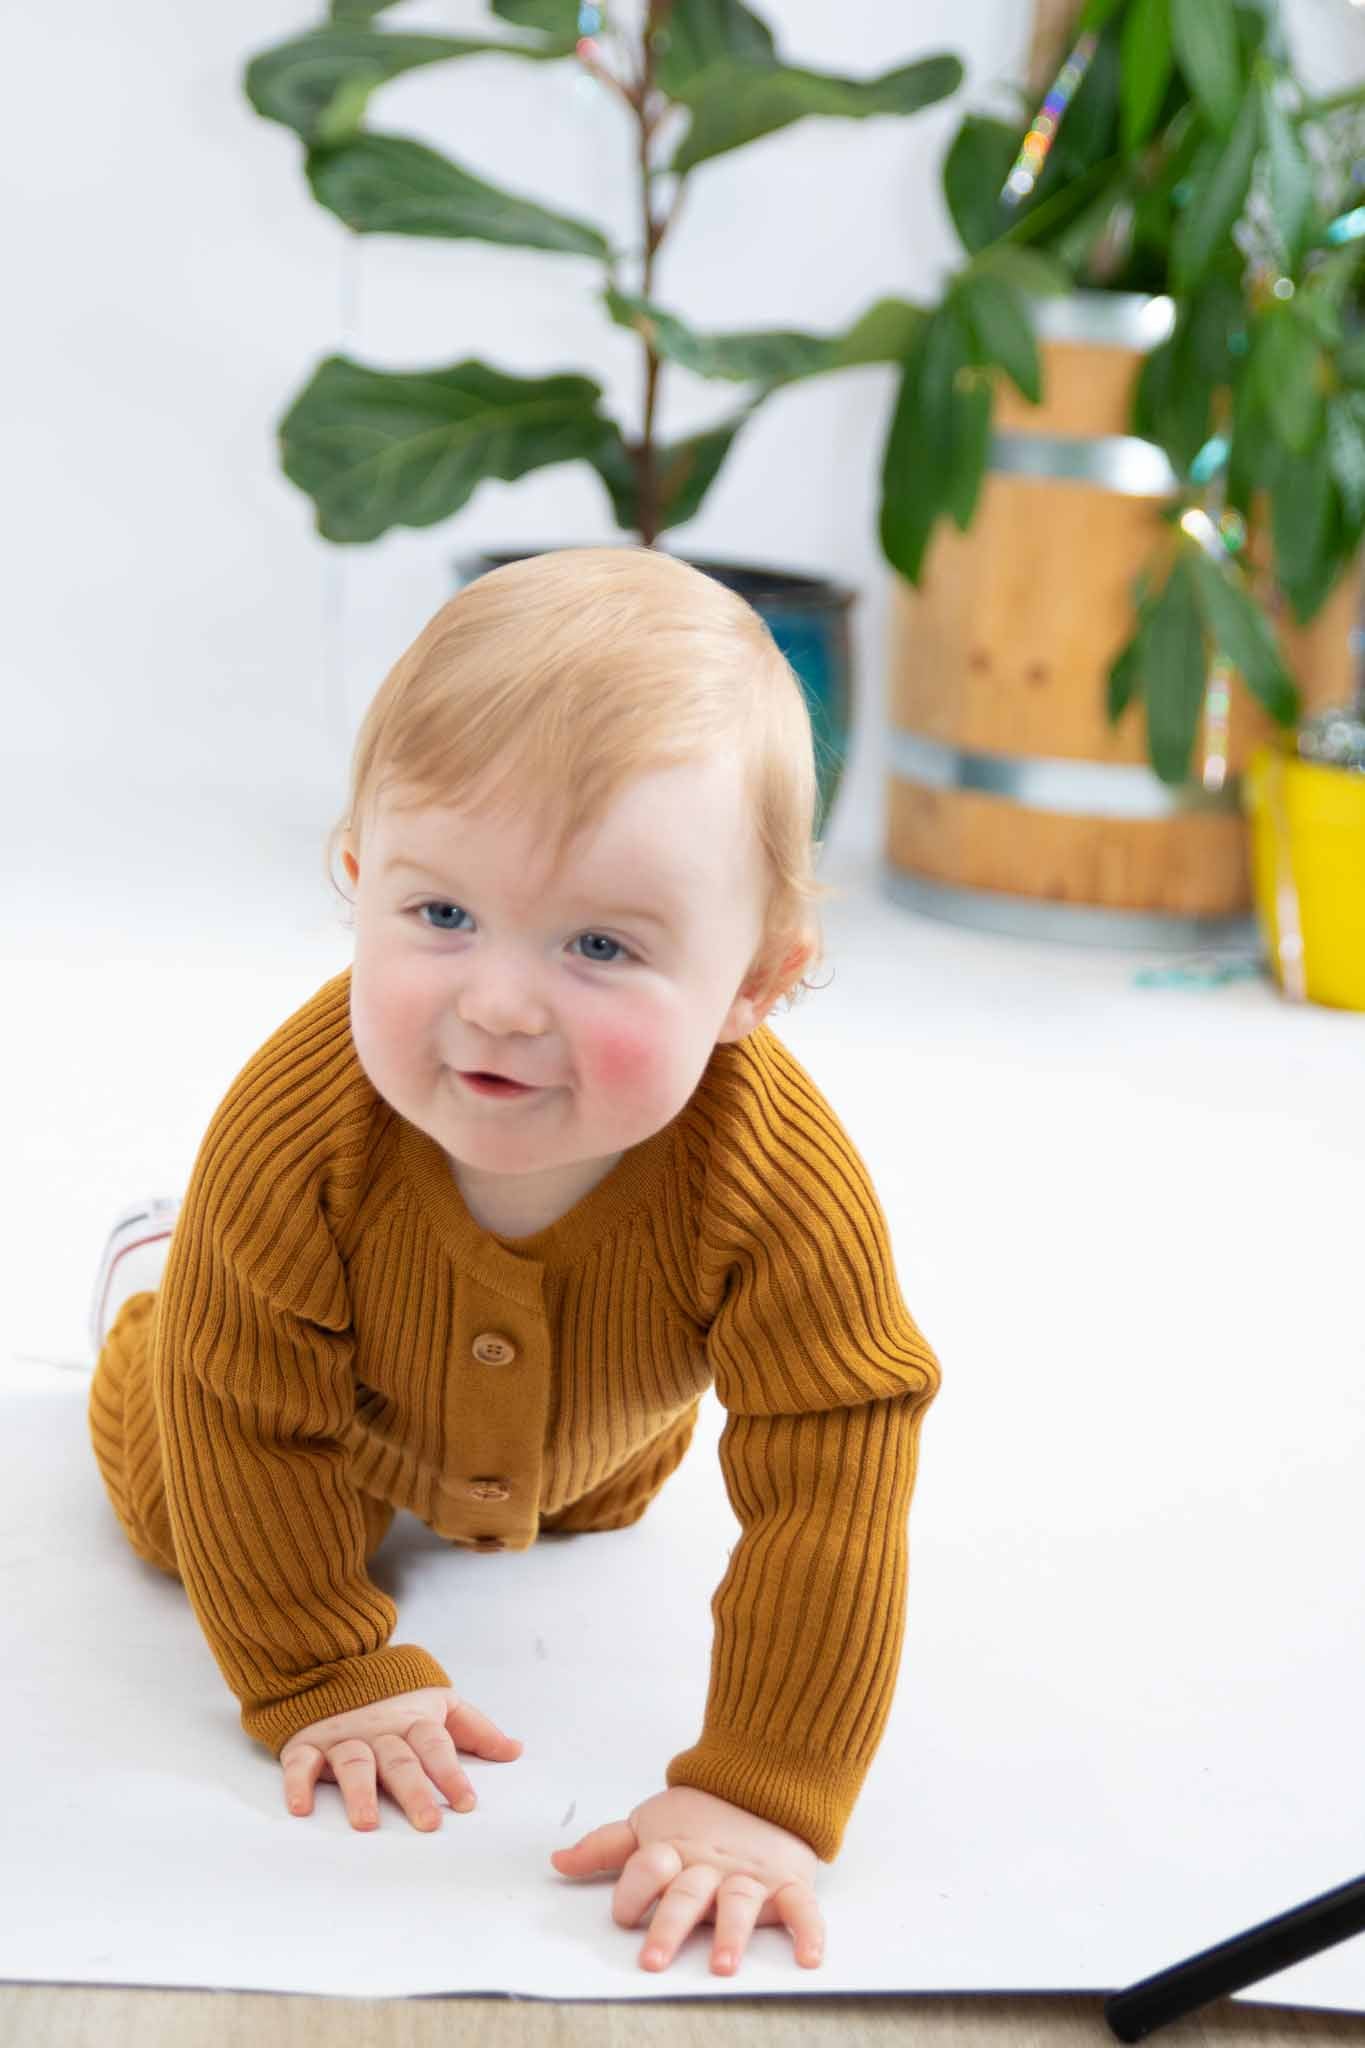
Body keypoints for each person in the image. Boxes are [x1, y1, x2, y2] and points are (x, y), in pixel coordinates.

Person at [87, 544, 941, 1979]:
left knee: (593, 1504)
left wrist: (763, 1787)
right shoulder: (295, 1135)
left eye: (598, 944)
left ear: (754, 982)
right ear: (357, 877)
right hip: (293, 1396)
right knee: (181, 1505)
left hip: (586, 1435)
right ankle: (151, 1279)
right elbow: (242, 1415)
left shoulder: (775, 1178)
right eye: (441, 915)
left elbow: (834, 1458)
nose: (497, 1003)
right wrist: (323, 1669)